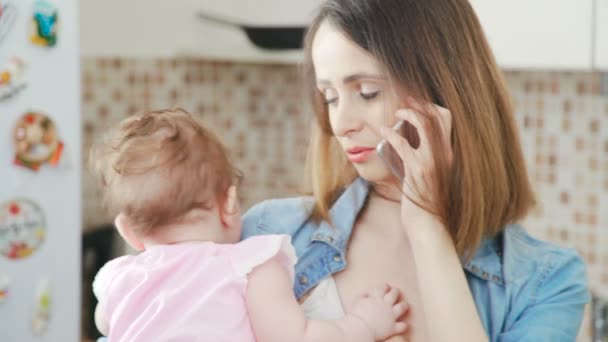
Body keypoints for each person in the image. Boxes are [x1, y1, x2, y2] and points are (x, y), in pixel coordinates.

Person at [242, 0, 590, 341]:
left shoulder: (547, 282)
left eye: (367, 92)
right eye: (330, 97)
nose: (341, 124)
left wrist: (427, 228)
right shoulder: (267, 234)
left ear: (443, 91)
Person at [90, 109, 408, 341]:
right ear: (229, 204)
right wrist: (365, 324)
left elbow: (106, 323)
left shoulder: (119, 277)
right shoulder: (249, 264)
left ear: (128, 231)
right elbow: (297, 338)